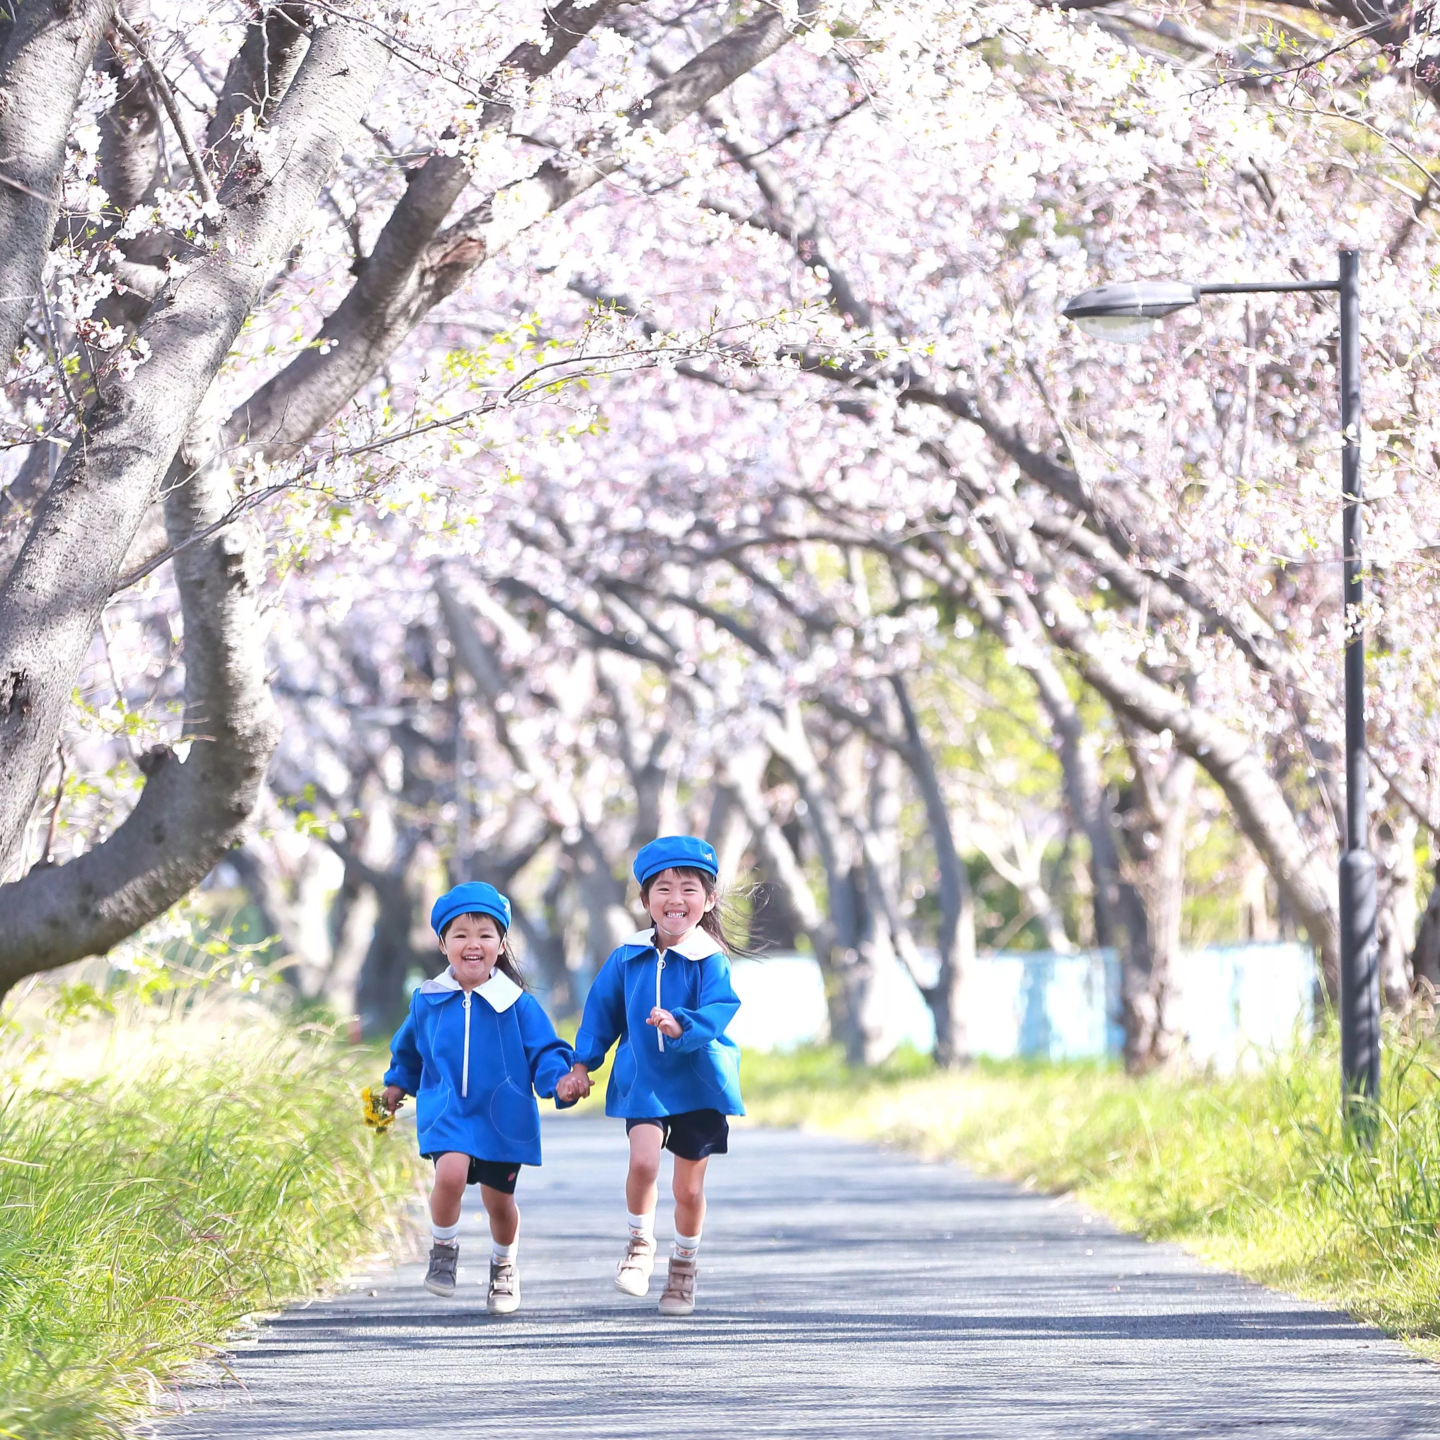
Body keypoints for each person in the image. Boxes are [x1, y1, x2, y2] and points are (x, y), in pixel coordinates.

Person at [383, 881, 589, 1315]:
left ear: (500, 944)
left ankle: (503, 1265)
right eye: (460, 934)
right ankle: (443, 1249)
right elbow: (407, 1049)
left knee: (500, 1203)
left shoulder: (518, 1005)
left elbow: (546, 1053)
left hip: (502, 1118)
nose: (472, 944)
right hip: (448, 1112)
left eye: (484, 935)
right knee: (450, 1175)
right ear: (443, 944)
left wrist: (561, 1082)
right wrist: (396, 1084)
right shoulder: (427, 1000)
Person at [565, 835, 744, 1317]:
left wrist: (682, 1024)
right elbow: (601, 1013)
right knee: (643, 1162)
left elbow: (720, 1009)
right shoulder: (627, 957)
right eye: (662, 888)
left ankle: (683, 1267)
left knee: (688, 1189)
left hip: (699, 1084)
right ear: (645, 901)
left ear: (707, 901)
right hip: (644, 1078)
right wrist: (583, 1063)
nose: (675, 899)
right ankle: (640, 1245)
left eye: (688, 888)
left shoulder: (711, 959)